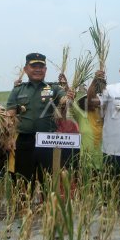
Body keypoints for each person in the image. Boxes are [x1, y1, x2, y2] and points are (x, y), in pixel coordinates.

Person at [6, 53, 74, 183]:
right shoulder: (18, 90)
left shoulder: (54, 88)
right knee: (23, 182)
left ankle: (48, 203)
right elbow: (10, 115)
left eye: (41, 66)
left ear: (45, 70)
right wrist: (9, 137)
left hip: (48, 141)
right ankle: (24, 204)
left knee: (48, 183)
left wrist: (68, 98)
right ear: (26, 69)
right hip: (25, 142)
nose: (38, 69)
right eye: (34, 66)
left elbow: (63, 99)